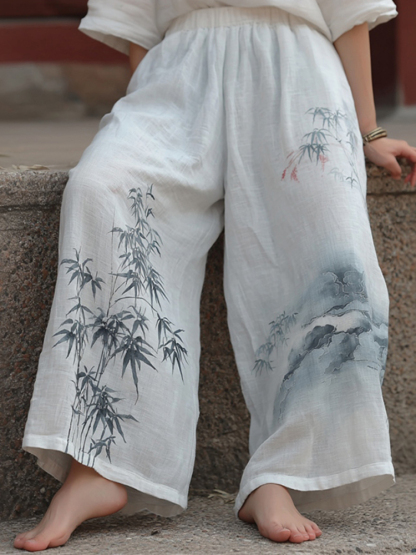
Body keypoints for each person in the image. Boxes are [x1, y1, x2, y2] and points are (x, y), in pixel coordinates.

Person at [14, 0, 416, 551]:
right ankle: (100, 463)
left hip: (298, 72)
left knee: (327, 248)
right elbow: (137, 28)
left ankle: (280, 474)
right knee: (100, 189)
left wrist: (369, 132)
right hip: (176, 75)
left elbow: (350, 12)